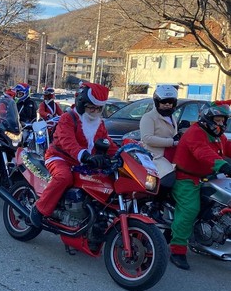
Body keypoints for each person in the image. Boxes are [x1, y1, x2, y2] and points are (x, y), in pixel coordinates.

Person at [29, 82, 118, 248]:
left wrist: (122, 154)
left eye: (99, 109)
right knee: (64, 177)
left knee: (103, 183)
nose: (95, 112)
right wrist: (83, 155)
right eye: (92, 108)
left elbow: (109, 143)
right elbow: (67, 141)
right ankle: (39, 209)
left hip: (84, 162)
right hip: (59, 157)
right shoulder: (68, 118)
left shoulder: (100, 124)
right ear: (82, 104)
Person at [168, 103, 231, 270]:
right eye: (217, 120)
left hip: (209, 177)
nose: (221, 124)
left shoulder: (217, 135)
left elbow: (228, 147)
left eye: (223, 120)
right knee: (190, 209)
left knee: (223, 203)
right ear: (207, 119)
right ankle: (178, 250)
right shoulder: (195, 133)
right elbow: (201, 152)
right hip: (187, 178)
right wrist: (222, 165)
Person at [139, 85, 179, 222]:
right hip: (154, 155)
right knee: (168, 178)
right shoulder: (148, 117)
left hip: (170, 153)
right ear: (157, 102)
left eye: (171, 102)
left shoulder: (172, 117)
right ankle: (154, 206)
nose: (167, 105)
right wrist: (171, 142)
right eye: (164, 102)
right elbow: (147, 138)